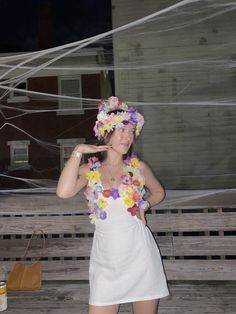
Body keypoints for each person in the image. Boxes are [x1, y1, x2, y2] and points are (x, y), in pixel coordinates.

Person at [56, 96, 170, 314]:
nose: (127, 137)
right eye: (121, 130)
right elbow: (63, 192)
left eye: (130, 131)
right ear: (106, 131)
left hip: (140, 257)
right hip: (106, 261)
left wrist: (143, 206)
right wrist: (78, 150)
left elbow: (159, 192)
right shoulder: (91, 170)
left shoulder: (139, 167)